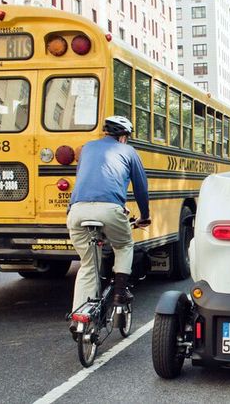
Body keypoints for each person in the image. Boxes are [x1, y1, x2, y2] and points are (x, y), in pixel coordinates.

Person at [67, 115, 151, 322]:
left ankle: (80, 315)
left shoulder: (86, 149)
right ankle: (120, 292)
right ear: (123, 137)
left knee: (88, 264)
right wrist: (145, 216)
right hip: (110, 210)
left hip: (77, 211)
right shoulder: (129, 151)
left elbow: (81, 180)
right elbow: (141, 188)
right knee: (123, 246)